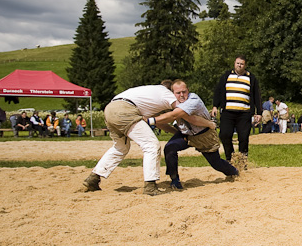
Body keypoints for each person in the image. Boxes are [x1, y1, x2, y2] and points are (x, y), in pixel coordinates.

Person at [84, 80, 215, 196]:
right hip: (126, 111)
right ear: (171, 91)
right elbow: (182, 114)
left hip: (110, 109)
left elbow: (158, 123)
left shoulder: (149, 93)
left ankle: (93, 178)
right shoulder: (167, 94)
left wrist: (176, 133)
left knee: (120, 147)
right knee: (151, 145)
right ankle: (150, 186)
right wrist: (208, 124)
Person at [163, 82, 239, 188]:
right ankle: (175, 180)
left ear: (188, 91)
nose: (181, 95)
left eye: (184, 92)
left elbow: (191, 118)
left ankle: (235, 173)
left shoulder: (193, 99)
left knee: (216, 163)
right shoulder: (170, 103)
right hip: (187, 135)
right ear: (173, 94)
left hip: (204, 135)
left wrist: (152, 120)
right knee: (169, 148)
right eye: (178, 93)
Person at [212, 56, 262, 165]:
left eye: (242, 64)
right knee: (224, 135)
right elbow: (218, 91)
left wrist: (259, 112)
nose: (239, 65)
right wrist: (215, 106)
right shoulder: (226, 75)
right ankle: (230, 158)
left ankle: (242, 162)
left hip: (244, 113)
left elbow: (257, 95)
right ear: (234, 63)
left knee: (243, 138)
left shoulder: (251, 78)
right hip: (228, 112)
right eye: (237, 63)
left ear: (245, 65)